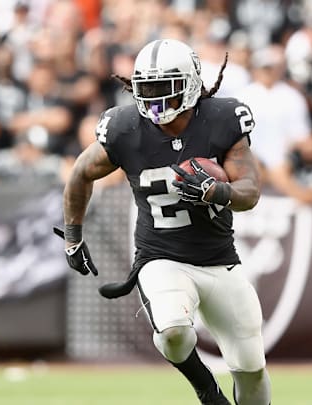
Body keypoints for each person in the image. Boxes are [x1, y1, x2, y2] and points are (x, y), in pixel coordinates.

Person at [56, 39, 271, 405]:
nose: (154, 99)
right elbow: (80, 173)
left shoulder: (221, 119)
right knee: (172, 330)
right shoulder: (125, 127)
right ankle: (206, 388)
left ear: (188, 84)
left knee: (250, 369)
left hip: (219, 259)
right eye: (147, 88)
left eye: (164, 89)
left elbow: (249, 191)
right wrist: (73, 236)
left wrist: (216, 192)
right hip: (161, 257)